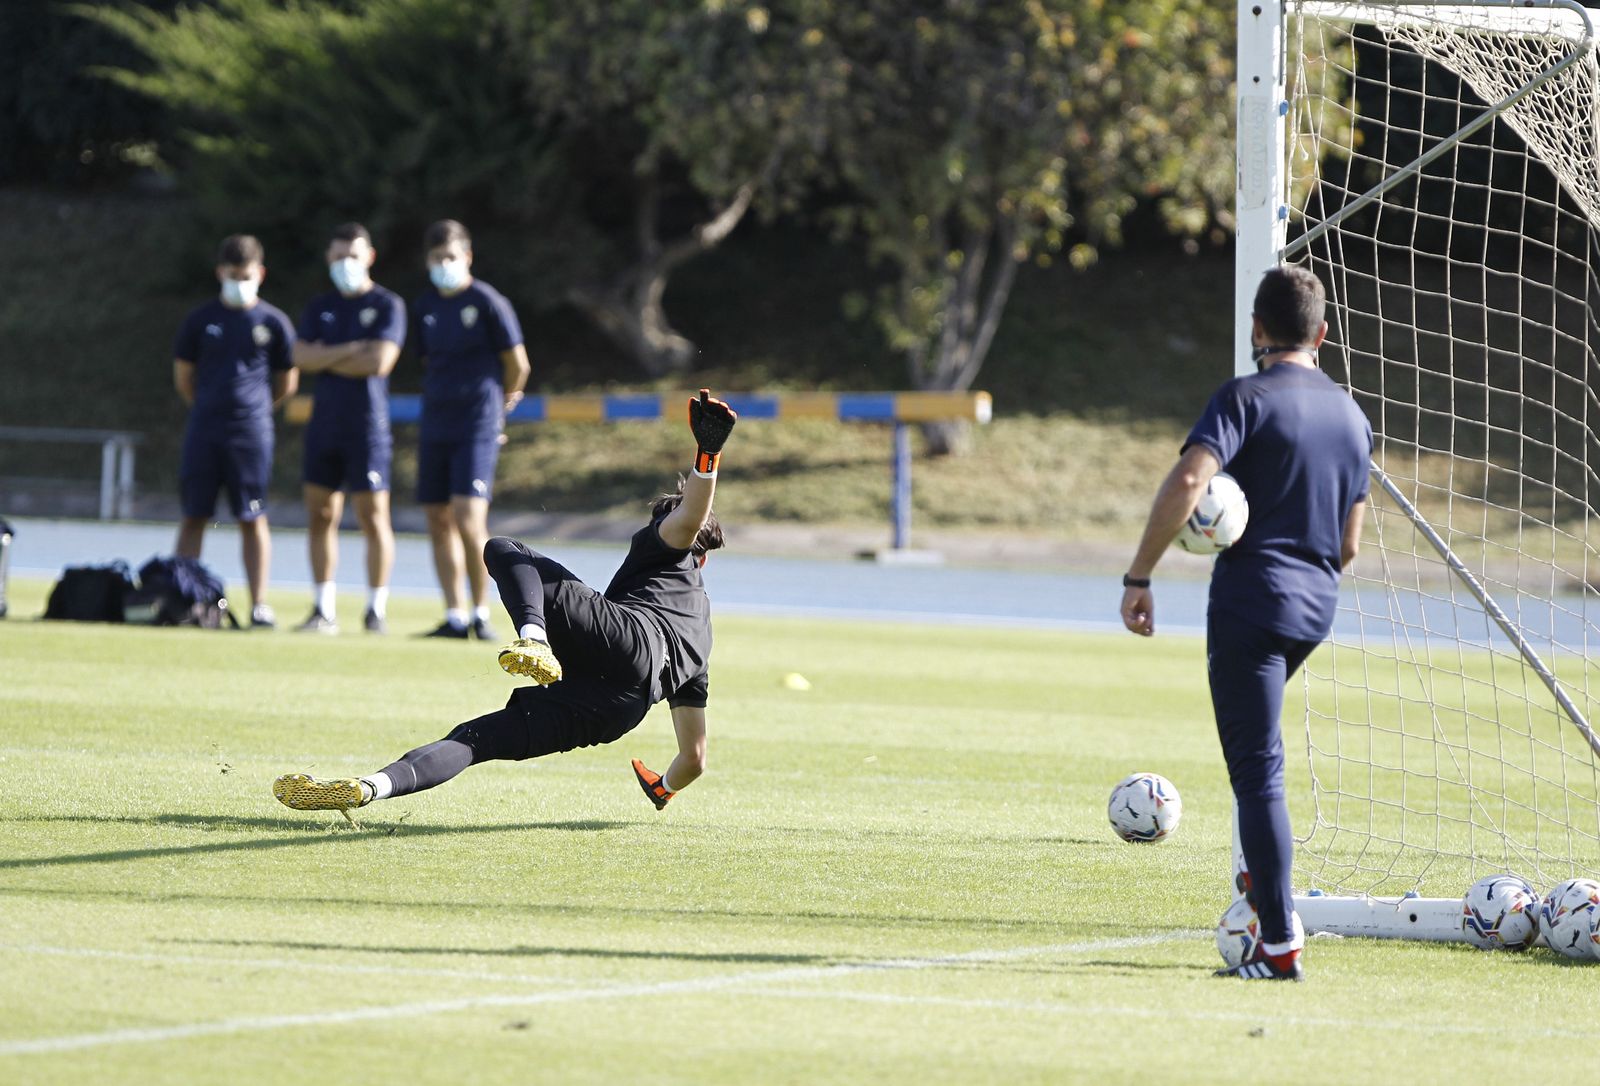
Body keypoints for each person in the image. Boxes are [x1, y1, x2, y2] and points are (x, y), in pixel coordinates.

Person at [272, 389, 738, 815]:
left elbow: (691, 516)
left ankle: (532, 639)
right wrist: (664, 788)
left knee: (505, 550)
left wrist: (708, 454)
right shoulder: (702, 635)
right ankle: (370, 786)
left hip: (629, 641)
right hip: (620, 708)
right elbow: (694, 758)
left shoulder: (668, 549)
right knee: (475, 741)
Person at [1118, 266, 1371, 981]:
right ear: (1322, 335)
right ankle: (1263, 882)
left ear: (1256, 330)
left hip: (1252, 603)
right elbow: (1350, 544)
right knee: (1259, 758)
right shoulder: (1353, 417)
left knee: (1258, 773)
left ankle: (1281, 942)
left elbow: (1192, 481)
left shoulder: (1244, 398)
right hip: (1314, 607)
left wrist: (1140, 574)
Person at [412, 219, 531, 639]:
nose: (444, 264)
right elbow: (429, 360)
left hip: (476, 423)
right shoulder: (426, 306)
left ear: (467, 257)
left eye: (451, 257)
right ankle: (454, 614)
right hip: (436, 422)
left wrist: (502, 405)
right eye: (436, 258)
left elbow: (518, 364)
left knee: (468, 517)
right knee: (437, 518)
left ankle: (482, 612)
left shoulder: (487, 301)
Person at [172, 234, 297, 628]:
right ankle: (183, 594)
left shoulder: (274, 322)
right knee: (194, 514)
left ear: (259, 273)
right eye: (232, 274)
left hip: (251, 433)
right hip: (205, 429)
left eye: (245, 275)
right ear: (219, 273)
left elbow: (285, 382)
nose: (239, 281)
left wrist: (255, 410)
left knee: (252, 517)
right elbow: (184, 377)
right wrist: (210, 406)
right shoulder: (200, 320)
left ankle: (260, 603)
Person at [291, 223, 406, 635]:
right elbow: (301, 356)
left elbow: (378, 363)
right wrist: (352, 349)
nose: (345, 264)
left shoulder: (388, 305)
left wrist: (328, 355)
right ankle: (323, 609)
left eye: (353, 256)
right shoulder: (320, 306)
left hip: (367, 426)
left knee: (373, 517)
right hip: (325, 424)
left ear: (369, 257)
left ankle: (376, 609)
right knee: (321, 514)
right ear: (328, 259)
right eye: (338, 256)